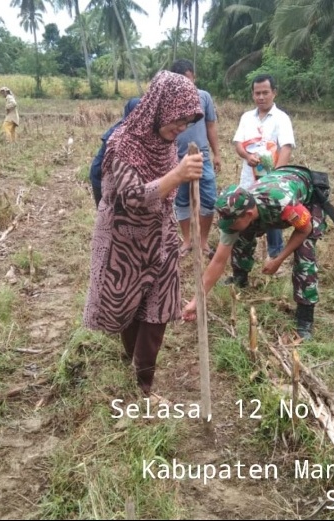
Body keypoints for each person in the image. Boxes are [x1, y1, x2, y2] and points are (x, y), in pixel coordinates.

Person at [83, 71, 204, 396]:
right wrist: (178, 174)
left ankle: (144, 382)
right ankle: (130, 360)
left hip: (160, 239)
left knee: (159, 310)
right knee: (128, 308)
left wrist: (184, 175)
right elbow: (133, 196)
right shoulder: (122, 143)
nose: (180, 129)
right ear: (159, 107)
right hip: (124, 241)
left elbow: (166, 188)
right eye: (177, 120)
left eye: (186, 123)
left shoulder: (165, 144)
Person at [182, 165, 327, 341]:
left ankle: (305, 316)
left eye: (232, 224)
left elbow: (304, 229)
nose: (229, 229)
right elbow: (218, 261)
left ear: (249, 214)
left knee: (305, 253)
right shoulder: (238, 211)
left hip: (307, 192)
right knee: (241, 236)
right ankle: (240, 277)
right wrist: (196, 301)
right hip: (272, 191)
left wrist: (278, 259)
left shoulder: (284, 203)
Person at [232, 74, 295, 263]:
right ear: (252, 94)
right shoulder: (246, 118)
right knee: (245, 214)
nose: (261, 97)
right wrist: (247, 156)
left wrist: (275, 177)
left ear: (274, 93)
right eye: (257, 93)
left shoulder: (281, 118)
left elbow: (286, 147)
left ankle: (275, 256)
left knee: (272, 215)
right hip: (248, 178)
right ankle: (243, 258)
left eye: (265, 93)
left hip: (271, 178)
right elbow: (238, 143)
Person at [169, 59, 221, 259]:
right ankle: (187, 240)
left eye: (188, 80)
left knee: (208, 200)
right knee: (180, 201)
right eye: (180, 81)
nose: (185, 86)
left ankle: (203, 241)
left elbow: (210, 126)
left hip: (202, 158)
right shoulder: (168, 99)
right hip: (175, 159)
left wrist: (217, 154)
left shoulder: (204, 97)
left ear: (194, 78)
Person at [89, 97, 141, 207]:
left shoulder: (135, 129)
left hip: (113, 176)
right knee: (106, 209)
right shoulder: (119, 133)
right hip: (100, 175)